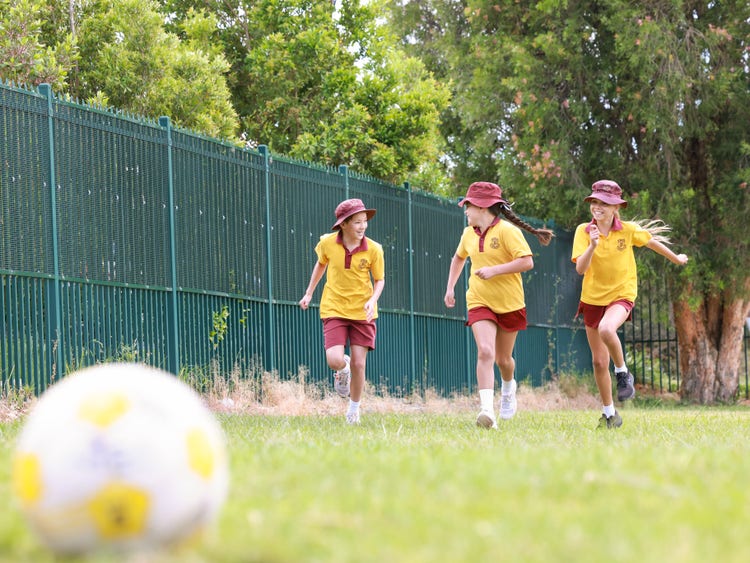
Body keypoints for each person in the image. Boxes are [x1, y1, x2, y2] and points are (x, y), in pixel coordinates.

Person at [572, 180, 688, 429]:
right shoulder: (583, 231)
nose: (597, 207)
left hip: (621, 294)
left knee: (607, 329)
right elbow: (581, 269)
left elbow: (651, 242)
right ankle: (610, 414)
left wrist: (676, 258)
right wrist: (592, 245)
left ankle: (623, 373)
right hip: (592, 298)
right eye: (594, 202)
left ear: (616, 208)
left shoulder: (627, 230)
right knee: (598, 362)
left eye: (604, 203)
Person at [444, 182, 554, 429]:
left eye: (468, 206)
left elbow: (527, 262)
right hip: (479, 300)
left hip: (509, 303)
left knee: (504, 360)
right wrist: (450, 287)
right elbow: (459, 258)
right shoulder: (467, 233)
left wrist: (495, 270)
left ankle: (507, 388)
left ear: (482, 207)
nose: (465, 211)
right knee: (485, 351)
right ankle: (486, 411)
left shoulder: (508, 232)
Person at [299, 198, 385, 425]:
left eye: (364, 222)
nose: (362, 226)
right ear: (344, 224)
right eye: (357, 222)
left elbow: (380, 280)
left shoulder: (374, 249)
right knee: (334, 360)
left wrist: (372, 300)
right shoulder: (328, 243)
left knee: (360, 363)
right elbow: (321, 264)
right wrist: (309, 293)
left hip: (362, 312)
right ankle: (342, 368)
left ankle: (354, 410)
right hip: (334, 307)